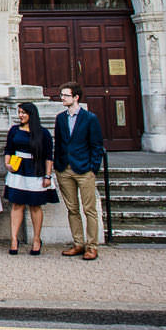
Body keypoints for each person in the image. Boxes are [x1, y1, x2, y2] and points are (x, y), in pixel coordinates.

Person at [54, 81, 105, 261]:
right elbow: (59, 143)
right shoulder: (60, 118)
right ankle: (78, 243)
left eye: (66, 95)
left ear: (76, 97)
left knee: (89, 209)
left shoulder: (89, 118)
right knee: (72, 209)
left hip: (84, 169)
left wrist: (93, 168)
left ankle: (92, 246)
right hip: (64, 169)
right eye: (62, 95)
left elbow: (97, 145)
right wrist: (57, 165)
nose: (62, 98)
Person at [3, 101, 57, 255]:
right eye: (19, 112)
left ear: (31, 115)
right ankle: (14, 239)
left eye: (24, 113)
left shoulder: (42, 133)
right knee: (17, 204)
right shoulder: (14, 130)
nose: (20, 115)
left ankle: (36, 239)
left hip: (35, 170)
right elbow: (9, 149)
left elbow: (48, 155)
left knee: (35, 205)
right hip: (18, 169)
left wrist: (47, 175)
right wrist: (7, 164)